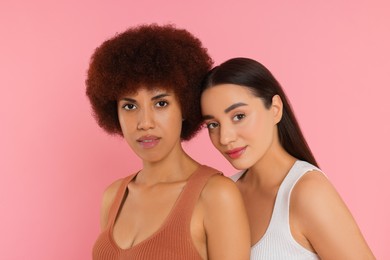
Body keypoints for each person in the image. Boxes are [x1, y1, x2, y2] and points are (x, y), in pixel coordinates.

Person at [85, 25, 250, 260]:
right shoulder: (113, 197)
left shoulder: (216, 195)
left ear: (185, 105)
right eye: (130, 106)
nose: (145, 123)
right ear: (114, 114)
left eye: (160, 103)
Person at [200, 57, 375, 259]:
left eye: (239, 116)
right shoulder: (222, 193)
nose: (225, 137)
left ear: (275, 109)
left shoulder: (307, 192)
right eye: (213, 124)